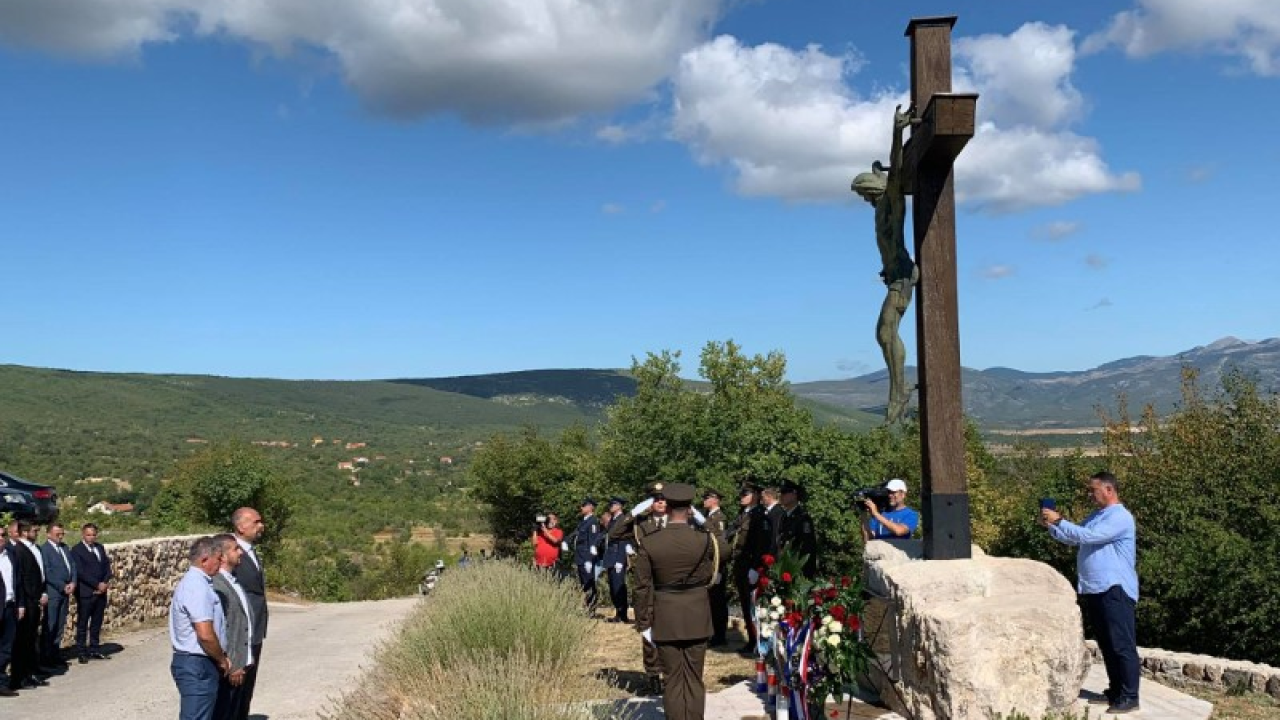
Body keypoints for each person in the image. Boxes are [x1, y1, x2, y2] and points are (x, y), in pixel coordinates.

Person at [1041, 471, 1140, 715]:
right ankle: (1116, 691)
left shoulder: (1120, 517)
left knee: (1121, 644)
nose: (1090, 495)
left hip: (1114, 587)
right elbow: (1076, 538)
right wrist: (1053, 527)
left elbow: (1089, 536)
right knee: (1107, 643)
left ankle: (1130, 695)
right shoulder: (1097, 516)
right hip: (1095, 587)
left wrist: (1060, 521)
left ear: (1109, 490)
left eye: (1093, 490)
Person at [632, 483, 721, 720]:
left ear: (667, 506)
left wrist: (643, 623)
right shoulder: (703, 540)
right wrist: (706, 523)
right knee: (693, 678)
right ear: (691, 508)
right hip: (696, 614)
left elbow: (641, 587)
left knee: (672, 680)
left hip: (665, 615)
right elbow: (725, 549)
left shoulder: (650, 542)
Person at [852, 104, 917, 425]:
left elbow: (898, 170)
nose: (865, 200)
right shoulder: (881, 209)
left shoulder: (891, 203)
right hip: (895, 275)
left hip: (903, 278)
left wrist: (897, 131)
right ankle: (898, 391)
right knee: (884, 333)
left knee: (885, 332)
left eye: (865, 193)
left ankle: (898, 393)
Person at [609, 482, 669, 695]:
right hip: (648, 588)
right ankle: (653, 675)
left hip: (671, 588)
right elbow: (614, 534)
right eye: (656, 498)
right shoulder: (639, 524)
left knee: (672, 633)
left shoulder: (679, 522)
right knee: (649, 632)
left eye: (663, 498)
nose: (661, 502)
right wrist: (633, 513)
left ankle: (671, 674)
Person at [170, 536, 232, 720]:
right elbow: (205, 634)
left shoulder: (201, 583)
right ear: (205, 560)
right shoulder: (197, 586)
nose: (221, 562)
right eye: (218, 558)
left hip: (197, 663)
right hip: (197, 663)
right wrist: (221, 659)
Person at [210, 534, 254, 720]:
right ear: (223, 555)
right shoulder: (218, 584)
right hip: (232, 665)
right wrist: (234, 664)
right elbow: (225, 628)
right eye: (235, 549)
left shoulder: (233, 580)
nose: (240, 552)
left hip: (243, 661)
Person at [229, 507, 267, 720]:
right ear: (241, 526)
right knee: (237, 683)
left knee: (249, 683)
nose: (261, 526)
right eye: (256, 522)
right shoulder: (232, 554)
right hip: (243, 629)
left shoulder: (250, 551)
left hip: (256, 627)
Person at [726, 483, 771, 655]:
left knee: (754, 606)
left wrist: (755, 567)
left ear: (755, 496)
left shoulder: (759, 515)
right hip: (740, 563)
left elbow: (761, 543)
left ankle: (759, 641)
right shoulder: (743, 514)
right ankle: (752, 640)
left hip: (751, 564)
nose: (741, 497)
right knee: (745, 604)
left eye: (746, 494)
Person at [7, 520, 46, 690]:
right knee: (21, 641)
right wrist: (29, 599)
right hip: (27, 602)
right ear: (24, 532)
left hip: (34, 600)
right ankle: (19, 677)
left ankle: (30, 673)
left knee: (30, 640)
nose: (37, 533)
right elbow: (22, 579)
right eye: (34, 531)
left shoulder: (32, 548)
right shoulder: (18, 551)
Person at [69, 522, 112, 664]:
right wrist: (96, 584)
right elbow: (80, 572)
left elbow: (106, 566)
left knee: (97, 622)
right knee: (83, 622)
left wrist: (105, 582)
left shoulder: (99, 547)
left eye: (93, 534)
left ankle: (94, 648)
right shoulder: (77, 550)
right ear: (83, 534)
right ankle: (81, 650)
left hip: (101, 592)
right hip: (86, 592)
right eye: (88, 534)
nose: (91, 537)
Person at [40, 522, 77, 668]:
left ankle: (55, 653)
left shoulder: (64, 548)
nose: (60, 536)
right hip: (54, 592)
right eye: (57, 534)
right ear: (49, 534)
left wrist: (73, 582)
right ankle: (46, 656)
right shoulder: (45, 550)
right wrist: (62, 586)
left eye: (62, 533)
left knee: (60, 625)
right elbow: (47, 572)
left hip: (66, 592)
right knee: (51, 625)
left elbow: (72, 566)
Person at [700, 489, 730, 646]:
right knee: (710, 600)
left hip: (717, 564)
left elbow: (721, 546)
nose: (704, 501)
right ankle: (712, 633)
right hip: (708, 564)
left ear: (715, 500)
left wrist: (718, 569)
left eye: (707, 498)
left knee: (717, 601)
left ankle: (720, 635)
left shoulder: (719, 518)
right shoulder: (708, 517)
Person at [566, 498, 605, 608]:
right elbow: (576, 535)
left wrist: (589, 559)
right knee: (584, 583)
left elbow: (593, 541)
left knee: (589, 583)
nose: (581, 508)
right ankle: (587, 605)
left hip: (586, 557)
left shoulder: (593, 522)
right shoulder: (584, 521)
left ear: (590, 507)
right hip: (580, 556)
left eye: (584, 506)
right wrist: (566, 541)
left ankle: (591, 607)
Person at [776, 481, 819, 578]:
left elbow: (807, 548)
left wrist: (805, 574)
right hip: (783, 568)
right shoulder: (784, 516)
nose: (781, 496)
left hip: (796, 570)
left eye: (784, 493)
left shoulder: (803, 518)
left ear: (794, 495)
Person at [602, 498, 631, 623]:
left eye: (613, 504)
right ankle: (618, 612)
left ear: (620, 506)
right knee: (613, 586)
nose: (610, 506)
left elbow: (623, 541)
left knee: (619, 586)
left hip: (617, 556)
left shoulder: (622, 519)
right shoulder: (613, 520)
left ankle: (622, 613)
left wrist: (620, 559)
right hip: (611, 556)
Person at [0, 536, 23, 697]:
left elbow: (18, 581)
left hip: (9, 606)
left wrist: (20, 604)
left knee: (6, 648)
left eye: (3, 534)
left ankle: (1, 683)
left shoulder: (10, 555)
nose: (2, 538)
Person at [761, 486, 784, 555]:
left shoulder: (778, 512)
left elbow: (775, 534)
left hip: (770, 552)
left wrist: (770, 554)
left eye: (763, 497)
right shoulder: (768, 511)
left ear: (769, 496)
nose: (761, 500)